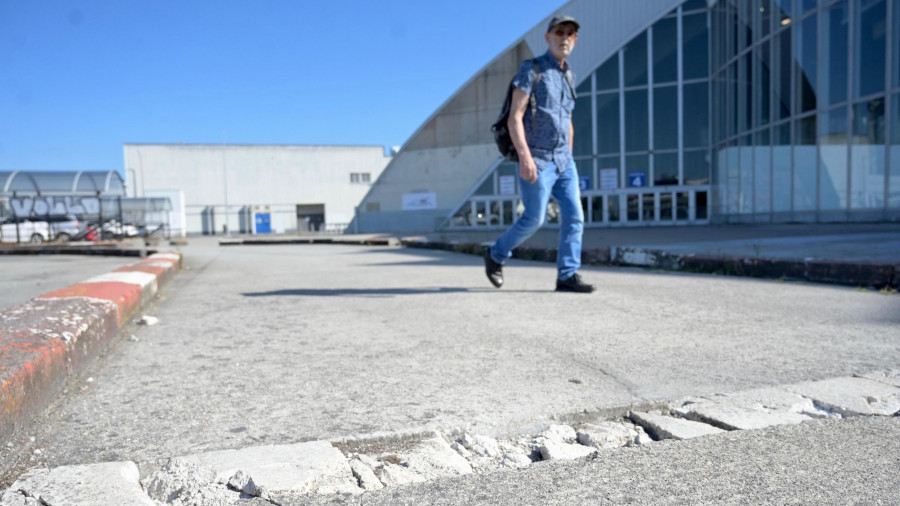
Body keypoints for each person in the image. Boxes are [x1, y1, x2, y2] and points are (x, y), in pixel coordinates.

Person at [484, 15, 595, 293]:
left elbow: (567, 120)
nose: (565, 38)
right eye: (559, 32)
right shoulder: (531, 70)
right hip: (537, 158)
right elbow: (515, 117)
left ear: (575, 40)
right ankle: (496, 255)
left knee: (575, 217)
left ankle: (567, 275)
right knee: (534, 219)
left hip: (563, 161)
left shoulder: (569, 75)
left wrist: (568, 156)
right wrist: (524, 157)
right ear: (548, 38)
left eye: (570, 34)